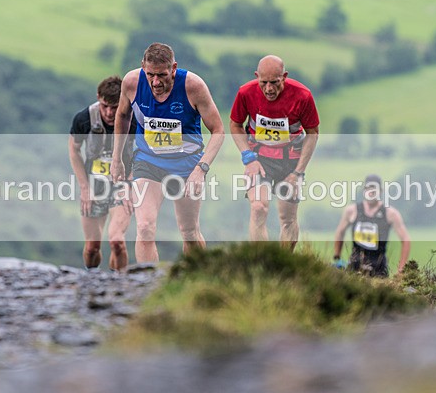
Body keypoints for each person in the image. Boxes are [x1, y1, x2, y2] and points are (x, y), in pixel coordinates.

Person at [110, 42, 225, 262]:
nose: (155, 82)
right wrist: (117, 159)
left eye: (162, 75)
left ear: (173, 68)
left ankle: (196, 280)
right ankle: (148, 287)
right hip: (148, 161)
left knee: (189, 231)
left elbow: (218, 130)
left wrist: (200, 170)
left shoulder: (193, 86)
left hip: (186, 164)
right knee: (144, 227)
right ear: (142, 67)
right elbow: (123, 116)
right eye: (150, 74)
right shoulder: (132, 82)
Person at [229, 55, 320, 249]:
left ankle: (283, 265)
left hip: (291, 162)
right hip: (259, 159)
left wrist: (298, 172)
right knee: (258, 207)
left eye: (275, 83)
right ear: (256, 77)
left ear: (284, 77)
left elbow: (313, 134)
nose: (269, 89)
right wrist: (248, 157)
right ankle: (262, 262)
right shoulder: (246, 93)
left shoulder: (302, 95)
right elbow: (235, 125)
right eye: (264, 83)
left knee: (287, 218)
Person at [68, 76, 134, 270]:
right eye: (105, 106)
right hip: (94, 185)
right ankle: (92, 282)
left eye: (115, 107)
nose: (109, 112)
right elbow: (73, 150)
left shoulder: (134, 118)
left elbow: (144, 153)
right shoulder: (84, 118)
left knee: (117, 242)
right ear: (98, 98)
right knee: (91, 248)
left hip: (121, 184)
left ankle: (119, 287)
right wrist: (84, 187)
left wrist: (129, 185)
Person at [332, 174, 411, 277]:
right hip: (354, 270)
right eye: (368, 189)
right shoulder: (352, 211)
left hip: (379, 272)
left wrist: (401, 270)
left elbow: (406, 240)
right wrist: (337, 256)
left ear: (380, 191)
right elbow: (340, 232)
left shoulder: (390, 213)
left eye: (374, 190)